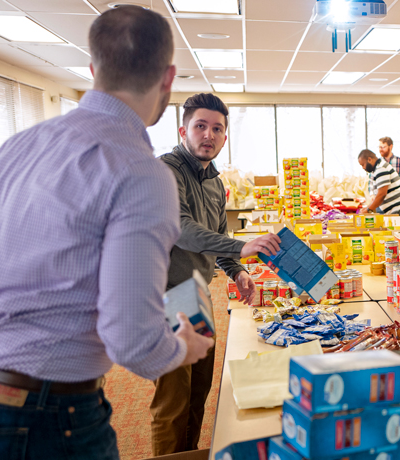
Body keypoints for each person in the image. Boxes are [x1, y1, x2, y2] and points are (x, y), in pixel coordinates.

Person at [0, 6, 214, 460]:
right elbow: (134, 342)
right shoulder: (140, 171)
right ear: (168, 79)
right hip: (51, 412)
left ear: (92, 69)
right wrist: (185, 347)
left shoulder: (17, 146)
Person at [149, 94, 281, 455]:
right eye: (200, 126)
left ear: (225, 137)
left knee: (198, 392)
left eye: (217, 129)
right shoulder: (165, 172)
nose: (209, 135)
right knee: (173, 400)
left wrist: (237, 271)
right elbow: (182, 229)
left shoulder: (213, 181)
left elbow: (218, 237)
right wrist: (243, 247)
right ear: (183, 130)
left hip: (197, 293)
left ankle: (188, 454)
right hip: (167, 295)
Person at [358, 149, 400, 228]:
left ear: (369, 159)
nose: (363, 168)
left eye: (363, 164)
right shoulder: (377, 169)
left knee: (399, 236)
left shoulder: (381, 168)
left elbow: (382, 194)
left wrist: (368, 209)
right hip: (397, 208)